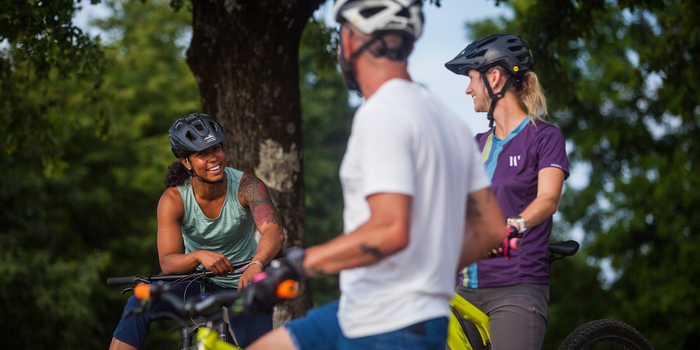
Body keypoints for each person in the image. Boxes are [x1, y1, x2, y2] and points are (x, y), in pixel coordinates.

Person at [247, 1, 507, 349]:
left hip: (388, 326)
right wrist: (427, 274)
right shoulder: (450, 121)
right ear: (409, 46)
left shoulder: (382, 112)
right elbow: (490, 228)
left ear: (352, 39)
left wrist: (296, 265)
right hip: (367, 311)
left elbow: (389, 228)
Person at [109, 113, 285, 350]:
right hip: (197, 281)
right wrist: (198, 255)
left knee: (259, 346)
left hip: (244, 281)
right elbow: (168, 263)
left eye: (217, 148)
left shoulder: (248, 186)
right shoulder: (174, 199)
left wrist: (257, 265)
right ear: (186, 162)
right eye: (202, 154)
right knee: (139, 301)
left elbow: (274, 232)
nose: (214, 158)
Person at [444, 33, 570, 350]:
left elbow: (548, 199)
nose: (468, 89)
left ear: (495, 78)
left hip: (515, 287)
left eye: (472, 78)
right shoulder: (475, 145)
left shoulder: (544, 138)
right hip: (465, 289)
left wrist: (514, 225)